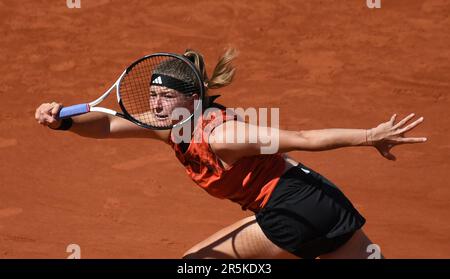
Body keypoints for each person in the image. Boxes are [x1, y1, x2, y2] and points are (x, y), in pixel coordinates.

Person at [35, 48, 427, 259]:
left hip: (293, 212)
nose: (155, 104)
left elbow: (303, 137)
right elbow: (105, 124)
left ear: (193, 98)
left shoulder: (224, 136)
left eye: (165, 96)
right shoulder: (168, 126)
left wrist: (368, 135)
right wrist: (62, 121)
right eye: (152, 95)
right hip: (325, 203)